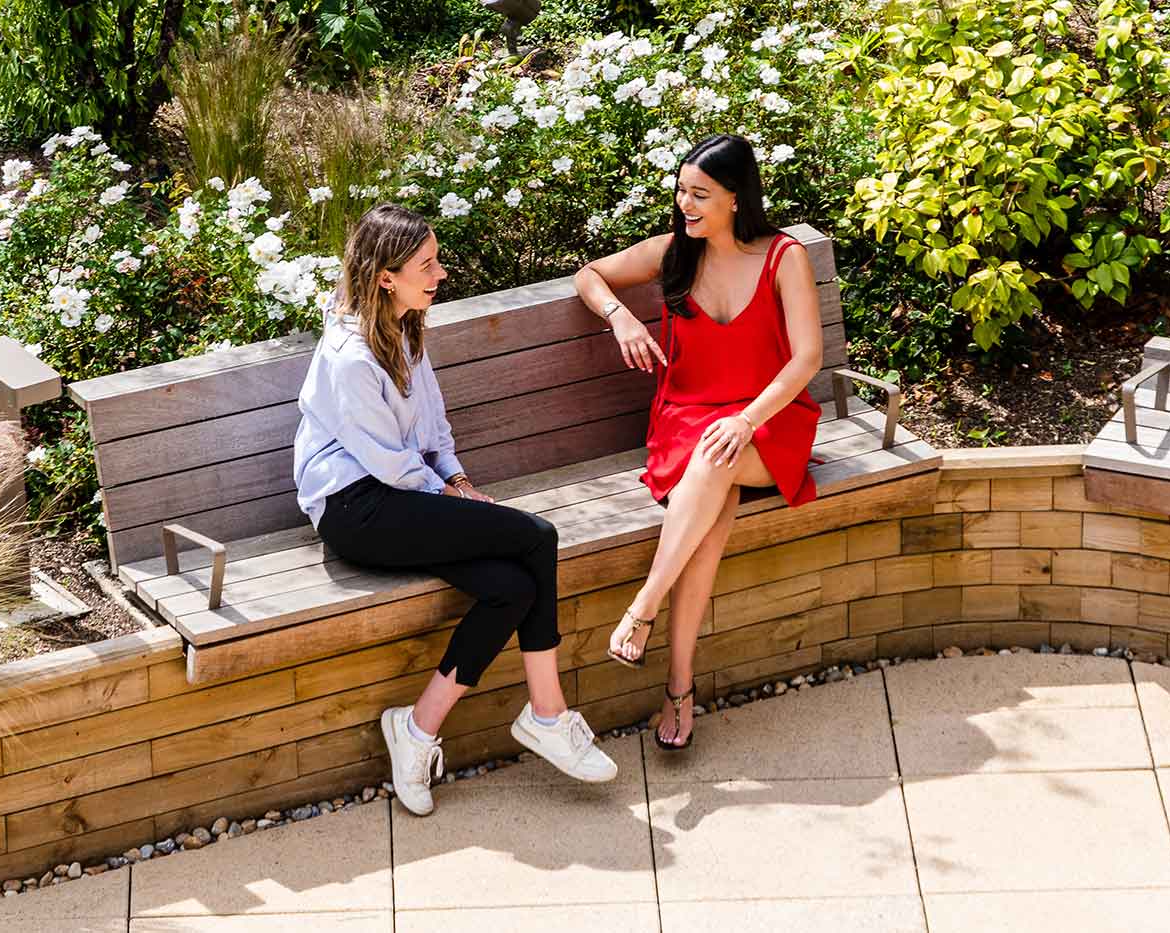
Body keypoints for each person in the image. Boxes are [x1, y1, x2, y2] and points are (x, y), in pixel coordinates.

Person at [294, 203, 617, 817]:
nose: (440, 273)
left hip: (402, 497)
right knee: (537, 537)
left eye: (436, 260)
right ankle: (547, 713)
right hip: (356, 508)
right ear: (385, 276)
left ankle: (416, 729)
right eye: (427, 265)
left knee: (510, 588)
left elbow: (433, 429)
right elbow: (389, 463)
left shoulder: (405, 326)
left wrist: (459, 481)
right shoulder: (350, 356)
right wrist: (452, 499)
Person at [573, 135, 824, 751]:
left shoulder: (784, 257)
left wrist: (746, 421)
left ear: (736, 199)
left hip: (768, 421)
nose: (685, 204)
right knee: (713, 498)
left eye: (700, 194)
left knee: (718, 459)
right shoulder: (674, 254)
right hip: (687, 419)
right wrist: (620, 316)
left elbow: (807, 359)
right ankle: (679, 685)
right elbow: (590, 275)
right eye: (681, 191)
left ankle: (644, 608)